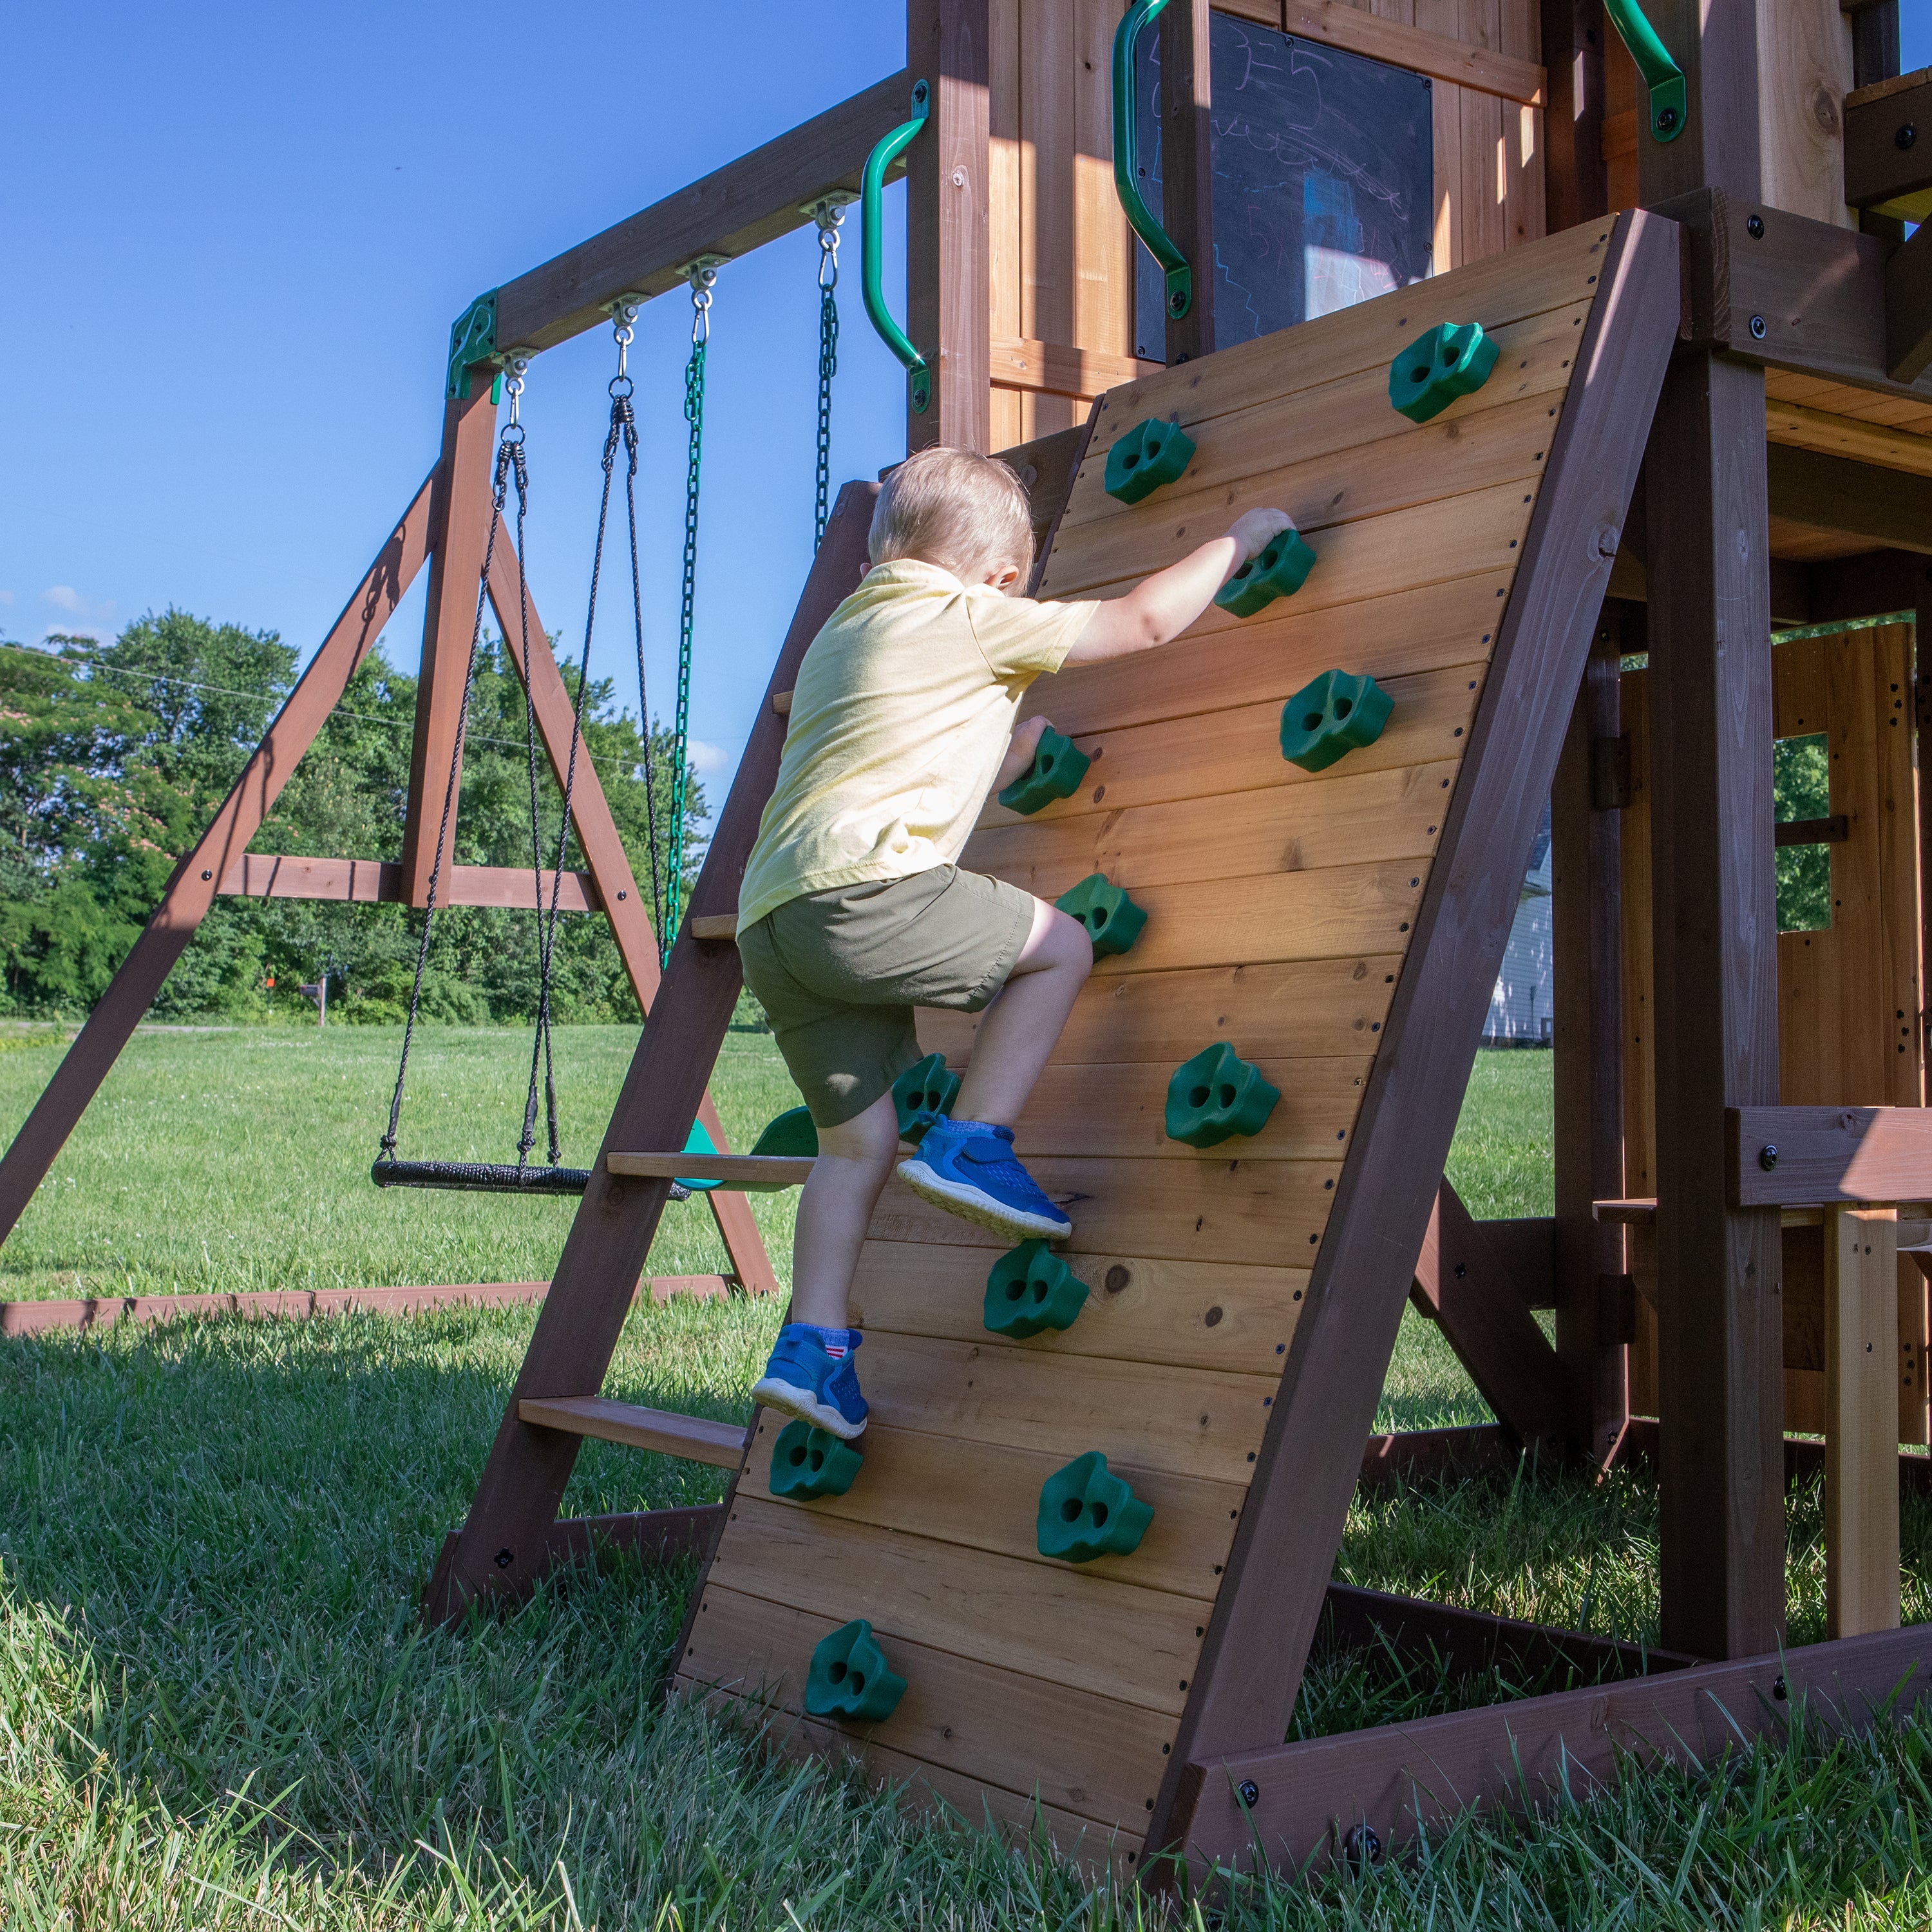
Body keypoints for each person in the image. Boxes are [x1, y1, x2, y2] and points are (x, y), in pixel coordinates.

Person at [738, 444, 1295, 1439]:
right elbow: (1146, 621)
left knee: (853, 1144)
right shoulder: (968, 612)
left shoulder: (844, 633)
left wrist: (1002, 761)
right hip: (866, 896)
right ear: (999, 579)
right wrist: (1238, 536)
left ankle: (813, 1347)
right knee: (1061, 948)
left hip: (774, 922)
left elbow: (888, 747)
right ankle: (974, 1141)